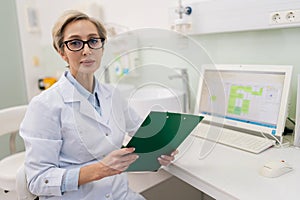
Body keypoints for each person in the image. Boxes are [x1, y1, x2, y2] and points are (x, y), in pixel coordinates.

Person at [20, 10, 177, 200]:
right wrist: (100, 170)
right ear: (62, 52)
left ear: (102, 47)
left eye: (93, 41)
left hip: (121, 195)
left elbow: (143, 133)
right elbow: (38, 180)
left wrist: (161, 149)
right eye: (75, 43)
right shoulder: (44, 105)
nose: (87, 50)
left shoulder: (113, 95)